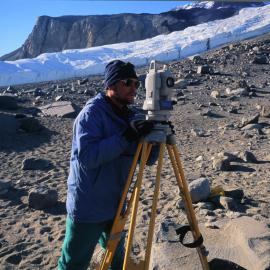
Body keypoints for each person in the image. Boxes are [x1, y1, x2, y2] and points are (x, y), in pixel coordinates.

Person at [58, 60, 156, 270]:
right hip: (88, 207)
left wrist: (156, 137)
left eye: (137, 84)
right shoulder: (91, 115)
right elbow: (88, 157)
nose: (134, 89)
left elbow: (148, 160)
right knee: (73, 263)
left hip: (116, 205)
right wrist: (126, 136)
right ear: (111, 85)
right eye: (128, 83)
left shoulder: (130, 115)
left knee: (116, 258)